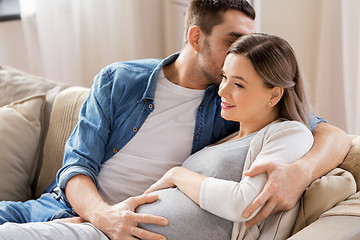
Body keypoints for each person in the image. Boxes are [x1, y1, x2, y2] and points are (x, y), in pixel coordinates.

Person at [0, 1, 350, 240]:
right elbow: (76, 167)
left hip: (122, 227)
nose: (241, 54)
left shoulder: (233, 102)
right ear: (196, 37)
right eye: (232, 41)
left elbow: (329, 134)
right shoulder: (120, 79)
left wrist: (301, 172)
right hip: (66, 209)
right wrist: (102, 216)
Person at [135, 33, 314, 240]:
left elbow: (245, 204)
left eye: (238, 85)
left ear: (274, 94)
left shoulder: (290, 132)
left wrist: (177, 174)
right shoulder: (227, 136)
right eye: (224, 77)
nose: (222, 91)